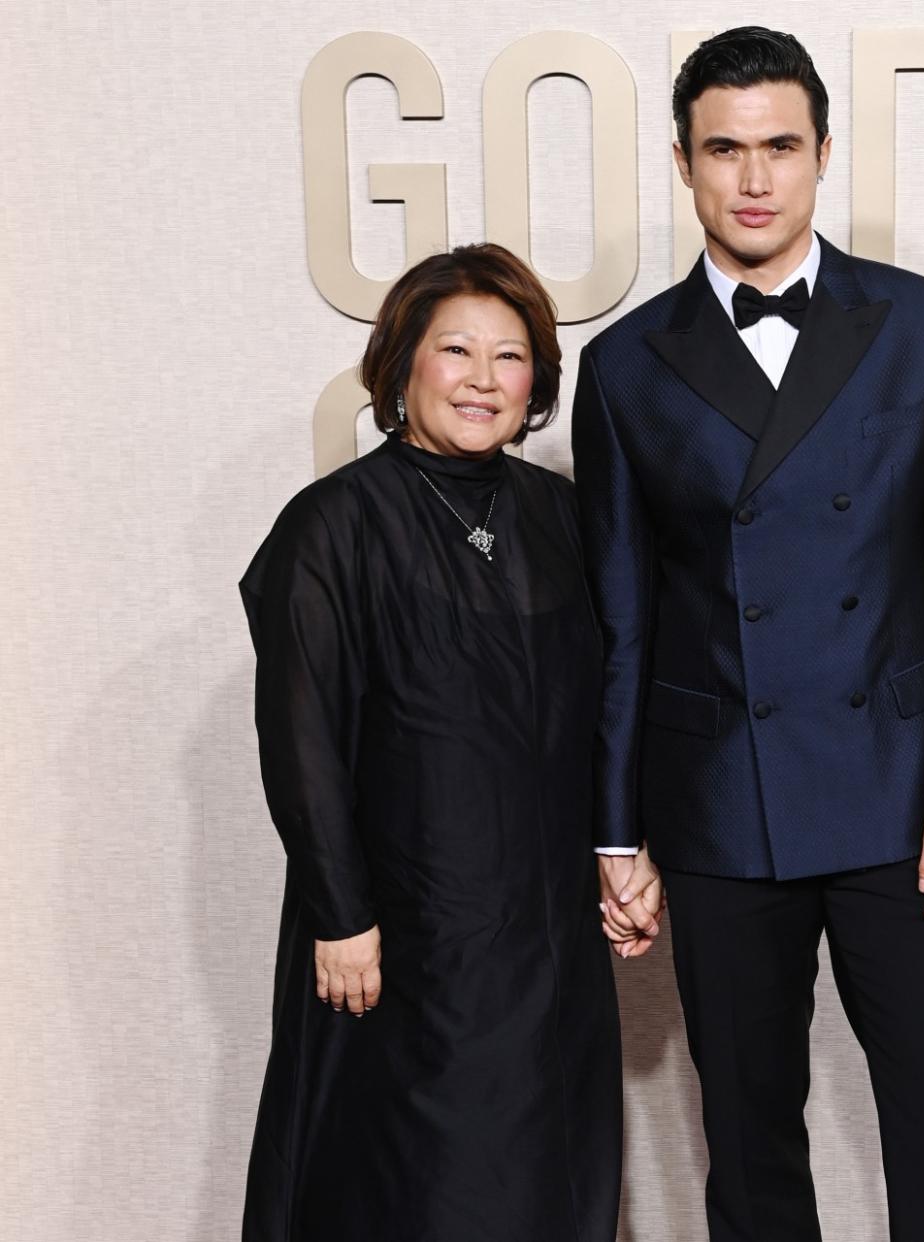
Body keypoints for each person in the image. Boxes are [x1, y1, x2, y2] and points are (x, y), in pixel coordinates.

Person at [572, 26, 924, 1242]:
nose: (755, 177)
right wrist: (618, 832)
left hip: (905, 795)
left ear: (823, 154)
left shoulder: (922, 324)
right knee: (750, 1137)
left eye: (780, 145)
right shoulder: (622, 367)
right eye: (726, 149)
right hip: (720, 800)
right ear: (684, 164)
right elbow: (624, 619)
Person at [239, 243, 621, 1242]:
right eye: (457, 351)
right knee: (410, 1185)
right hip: (400, 934)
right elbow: (302, 734)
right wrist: (341, 915)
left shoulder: (563, 517)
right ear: (403, 364)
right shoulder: (330, 527)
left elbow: (612, 700)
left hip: (544, 937)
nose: (484, 380)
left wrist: (628, 850)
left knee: (547, 1175)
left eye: (511, 356)